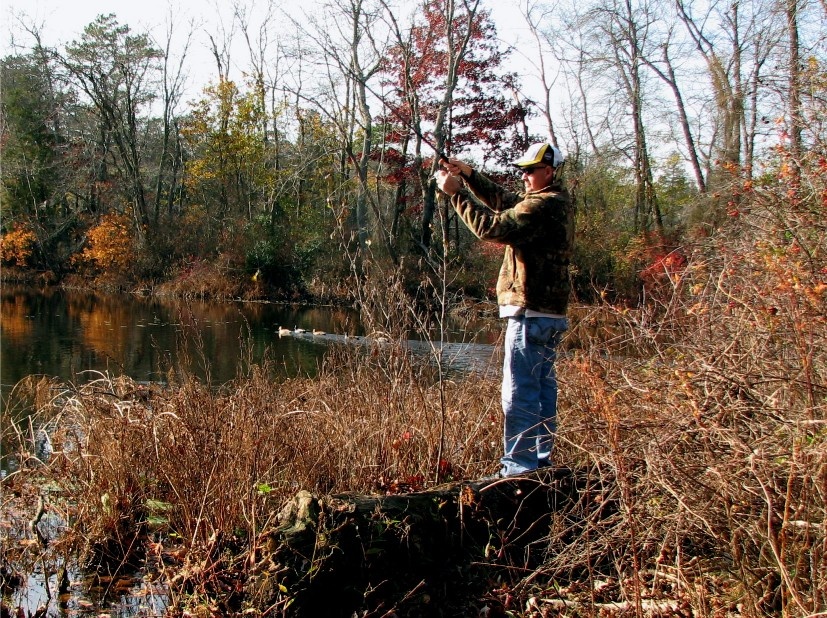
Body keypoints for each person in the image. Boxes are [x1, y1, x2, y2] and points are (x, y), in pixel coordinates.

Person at [434, 142, 574, 477]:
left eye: (530, 171)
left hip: (530, 313)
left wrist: (456, 194)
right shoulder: (554, 203)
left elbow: (491, 228)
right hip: (549, 313)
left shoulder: (543, 207)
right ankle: (539, 460)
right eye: (522, 170)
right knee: (542, 389)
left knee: (519, 391)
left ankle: (518, 468)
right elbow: (505, 202)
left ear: (549, 171)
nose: (524, 177)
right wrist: (469, 175)